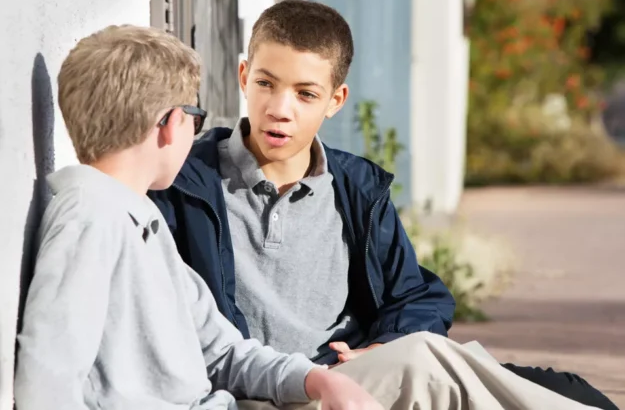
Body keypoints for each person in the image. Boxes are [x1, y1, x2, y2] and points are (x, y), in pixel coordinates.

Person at [149, 0, 618, 410]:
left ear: (335, 101)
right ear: (244, 76)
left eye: (305, 94)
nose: (280, 108)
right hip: (250, 392)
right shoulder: (186, 178)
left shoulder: (356, 187)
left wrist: (383, 345)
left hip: (345, 383)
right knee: (431, 364)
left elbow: (417, 296)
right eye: (267, 84)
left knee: (555, 386)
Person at [13, 25, 383, 410]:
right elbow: (47, 381)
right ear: (173, 123)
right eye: (196, 117)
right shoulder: (90, 216)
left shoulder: (141, 221)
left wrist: (316, 379)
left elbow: (222, 352)